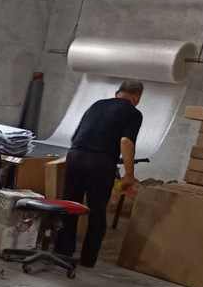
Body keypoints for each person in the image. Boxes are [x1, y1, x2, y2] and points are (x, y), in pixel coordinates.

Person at [55, 79, 143, 268]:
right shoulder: (133, 113)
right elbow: (126, 141)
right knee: (96, 211)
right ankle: (87, 260)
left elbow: (75, 135)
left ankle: (62, 252)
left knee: (70, 206)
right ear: (137, 97)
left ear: (117, 93)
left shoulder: (97, 105)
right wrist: (129, 174)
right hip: (100, 162)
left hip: (75, 156)